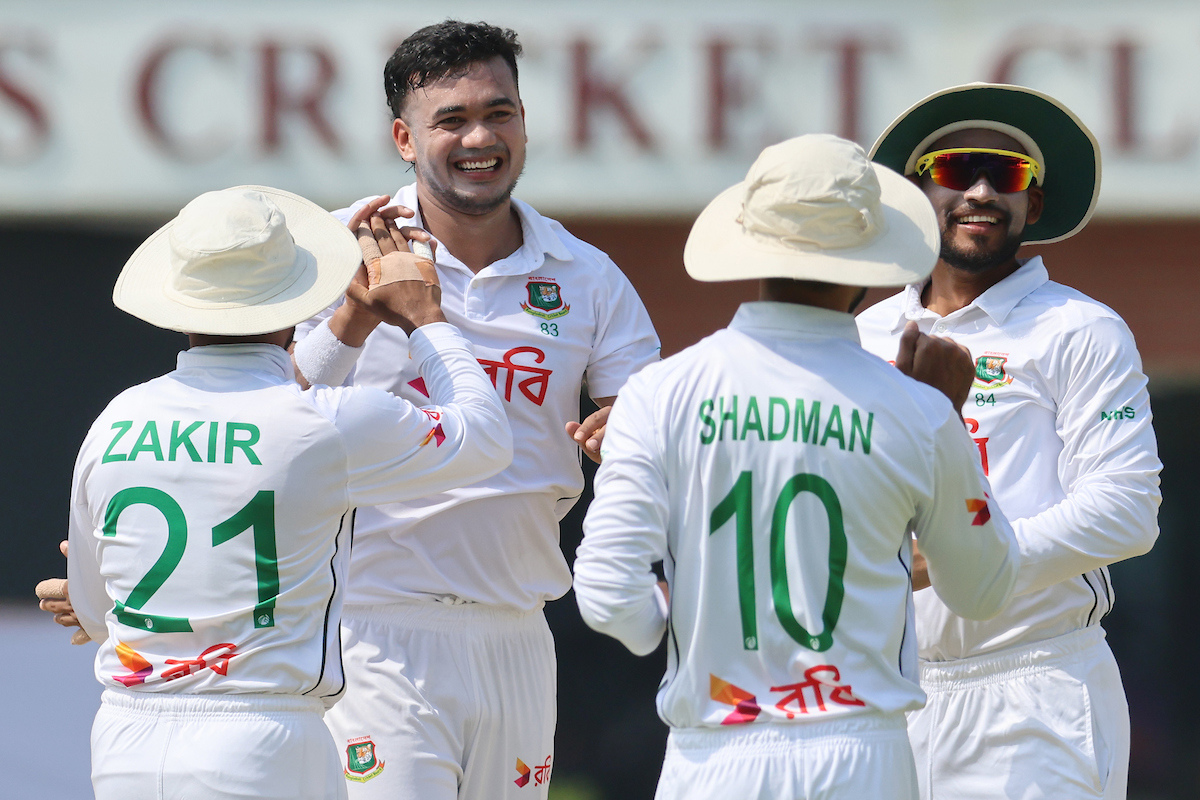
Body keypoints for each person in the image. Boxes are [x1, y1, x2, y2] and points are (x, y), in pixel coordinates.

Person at [573, 134, 1021, 800]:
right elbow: (983, 590)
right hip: (861, 757)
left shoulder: (660, 394)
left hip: (712, 755)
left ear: (751, 244)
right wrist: (950, 421)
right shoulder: (919, 412)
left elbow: (609, 597)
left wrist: (677, 624)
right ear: (871, 264)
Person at [289, 21, 660, 800]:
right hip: (373, 627)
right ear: (403, 137)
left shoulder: (586, 274)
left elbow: (647, 424)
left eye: (500, 112)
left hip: (520, 628)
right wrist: (355, 313)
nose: (480, 138)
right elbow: (269, 414)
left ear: (525, 120)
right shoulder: (335, 244)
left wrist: (619, 433)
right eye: (451, 120)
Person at [65, 185, 512, 800]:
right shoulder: (326, 423)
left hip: (124, 740)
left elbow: (93, 613)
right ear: (290, 301)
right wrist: (424, 317)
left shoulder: (116, 417)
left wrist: (353, 316)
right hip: (264, 740)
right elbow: (485, 438)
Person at [856, 83, 1162, 800]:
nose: (984, 191)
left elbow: (1127, 510)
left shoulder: (1080, 329)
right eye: (959, 170)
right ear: (917, 191)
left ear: (1037, 205)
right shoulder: (861, 336)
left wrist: (967, 559)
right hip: (882, 695)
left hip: (1033, 687)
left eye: (1011, 175)